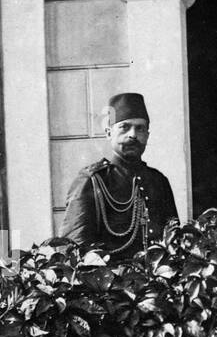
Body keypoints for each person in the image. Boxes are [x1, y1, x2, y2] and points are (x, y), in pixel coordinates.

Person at [62, 92, 180, 260]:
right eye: (125, 127)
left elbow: (173, 238)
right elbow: (75, 247)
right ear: (109, 133)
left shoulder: (158, 181)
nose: (133, 134)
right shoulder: (92, 181)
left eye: (140, 128)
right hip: (110, 282)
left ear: (147, 135)